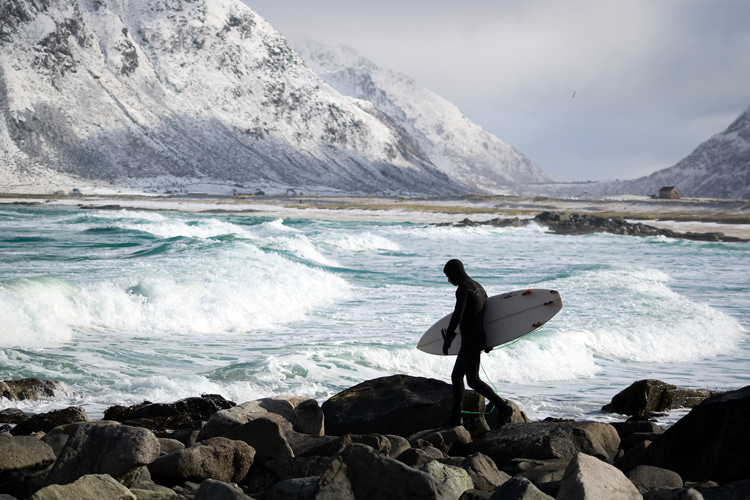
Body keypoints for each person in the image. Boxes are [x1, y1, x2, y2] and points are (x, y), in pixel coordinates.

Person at [441, 259, 513, 426]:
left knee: (472, 380)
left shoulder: (464, 289)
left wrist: (449, 337)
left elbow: (457, 315)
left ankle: (504, 407)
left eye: (449, 276)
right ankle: (456, 417)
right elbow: (489, 316)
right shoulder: (478, 286)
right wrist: (490, 341)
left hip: (471, 340)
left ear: (455, 273)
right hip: (478, 337)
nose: (449, 280)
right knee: (457, 376)